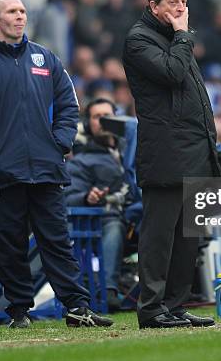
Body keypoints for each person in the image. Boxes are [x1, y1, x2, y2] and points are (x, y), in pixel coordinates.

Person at [0, 0, 113, 328]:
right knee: (10, 245)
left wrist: (60, 143)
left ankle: (76, 306)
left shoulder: (46, 58)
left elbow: (69, 105)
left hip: (46, 167)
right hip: (3, 171)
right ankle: (18, 311)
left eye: (23, 11)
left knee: (57, 241)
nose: (20, 16)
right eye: (12, 11)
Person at [123, 0, 220, 329]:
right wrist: (182, 35)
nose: (180, 9)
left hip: (194, 149)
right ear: (153, 6)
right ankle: (151, 309)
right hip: (165, 152)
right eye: (173, 3)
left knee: (187, 238)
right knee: (159, 236)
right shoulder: (139, 39)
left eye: (183, 2)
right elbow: (172, 73)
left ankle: (176, 306)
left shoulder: (176, 38)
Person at [64, 98, 136, 311]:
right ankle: (109, 291)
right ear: (88, 124)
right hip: (103, 223)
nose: (104, 121)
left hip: (138, 219)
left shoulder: (134, 146)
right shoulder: (81, 160)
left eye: (108, 116)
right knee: (113, 224)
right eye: (97, 117)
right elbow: (68, 196)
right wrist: (88, 197)